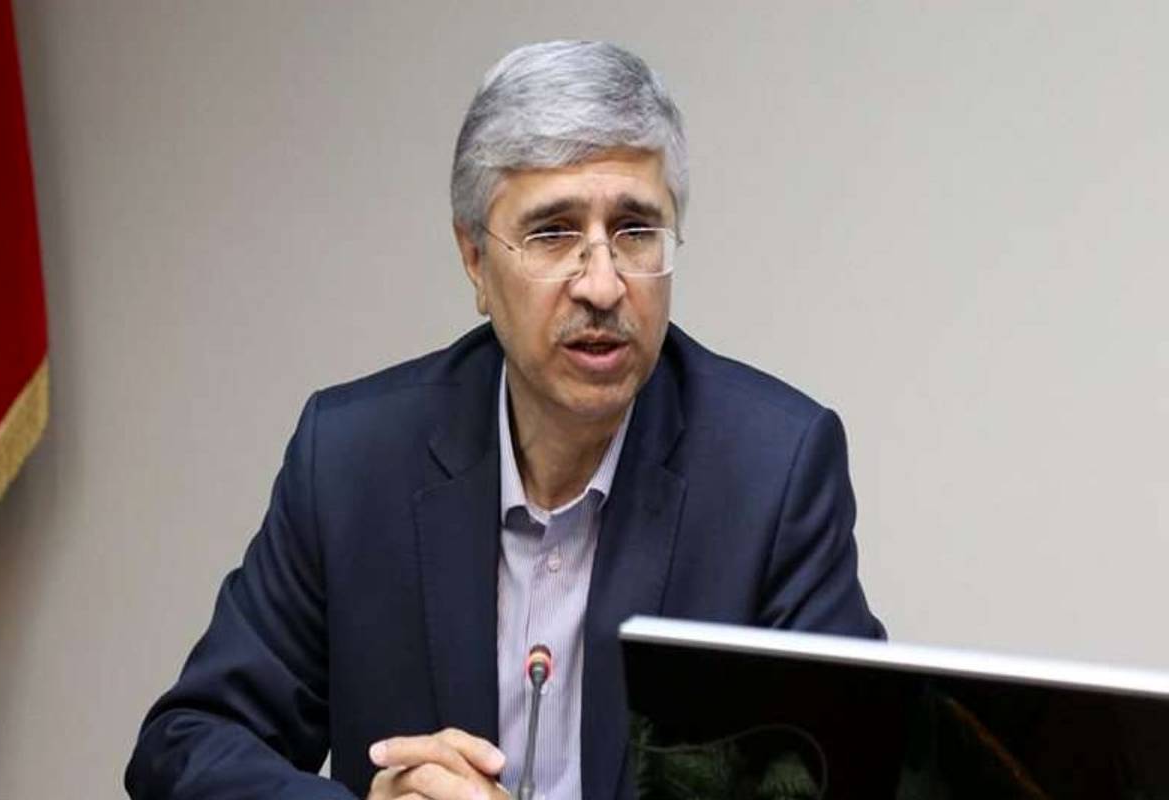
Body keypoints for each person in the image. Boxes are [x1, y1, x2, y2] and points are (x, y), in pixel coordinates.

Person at [125, 40, 884, 800]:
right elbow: (186, 745)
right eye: (553, 233)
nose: (602, 285)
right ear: (475, 260)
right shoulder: (352, 462)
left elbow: (854, 782)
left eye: (635, 230)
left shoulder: (772, 472)